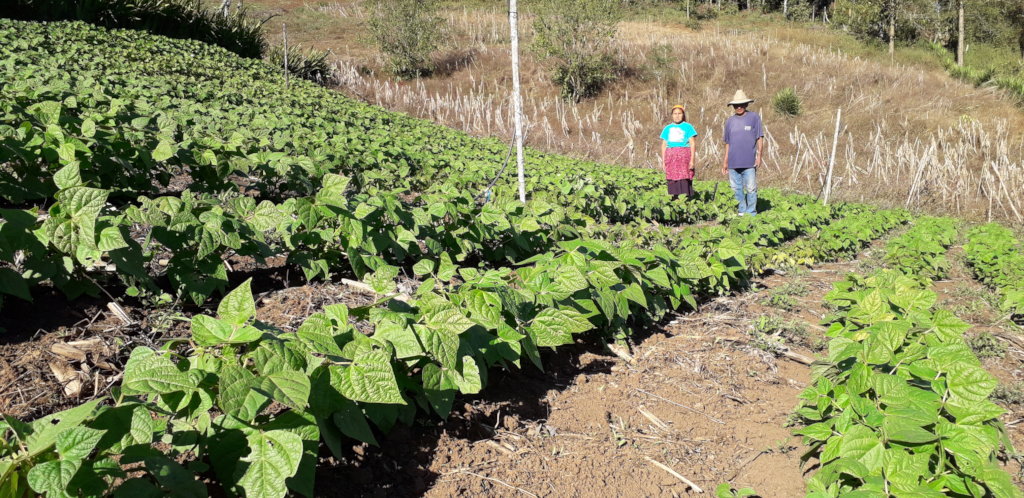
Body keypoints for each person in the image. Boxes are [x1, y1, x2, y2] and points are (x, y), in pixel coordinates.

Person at [721, 90, 764, 216]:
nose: (739, 107)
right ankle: (741, 211)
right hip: (733, 162)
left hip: (749, 161)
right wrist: (725, 162)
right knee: (736, 189)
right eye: (736, 105)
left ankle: (751, 212)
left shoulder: (754, 118)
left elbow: (759, 137)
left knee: (751, 188)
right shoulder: (729, 121)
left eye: (742, 104)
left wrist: (759, 156)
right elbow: (728, 143)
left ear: (746, 105)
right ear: (733, 107)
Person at [660, 104, 698, 199]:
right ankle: (674, 200)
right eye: (675, 113)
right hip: (671, 159)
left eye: (679, 113)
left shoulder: (688, 127)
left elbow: (692, 143)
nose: (677, 115)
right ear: (672, 115)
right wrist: (664, 162)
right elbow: (664, 145)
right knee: (672, 180)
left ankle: (686, 200)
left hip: (684, 159)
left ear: (683, 115)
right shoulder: (667, 128)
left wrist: (692, 160)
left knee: (684, 179)